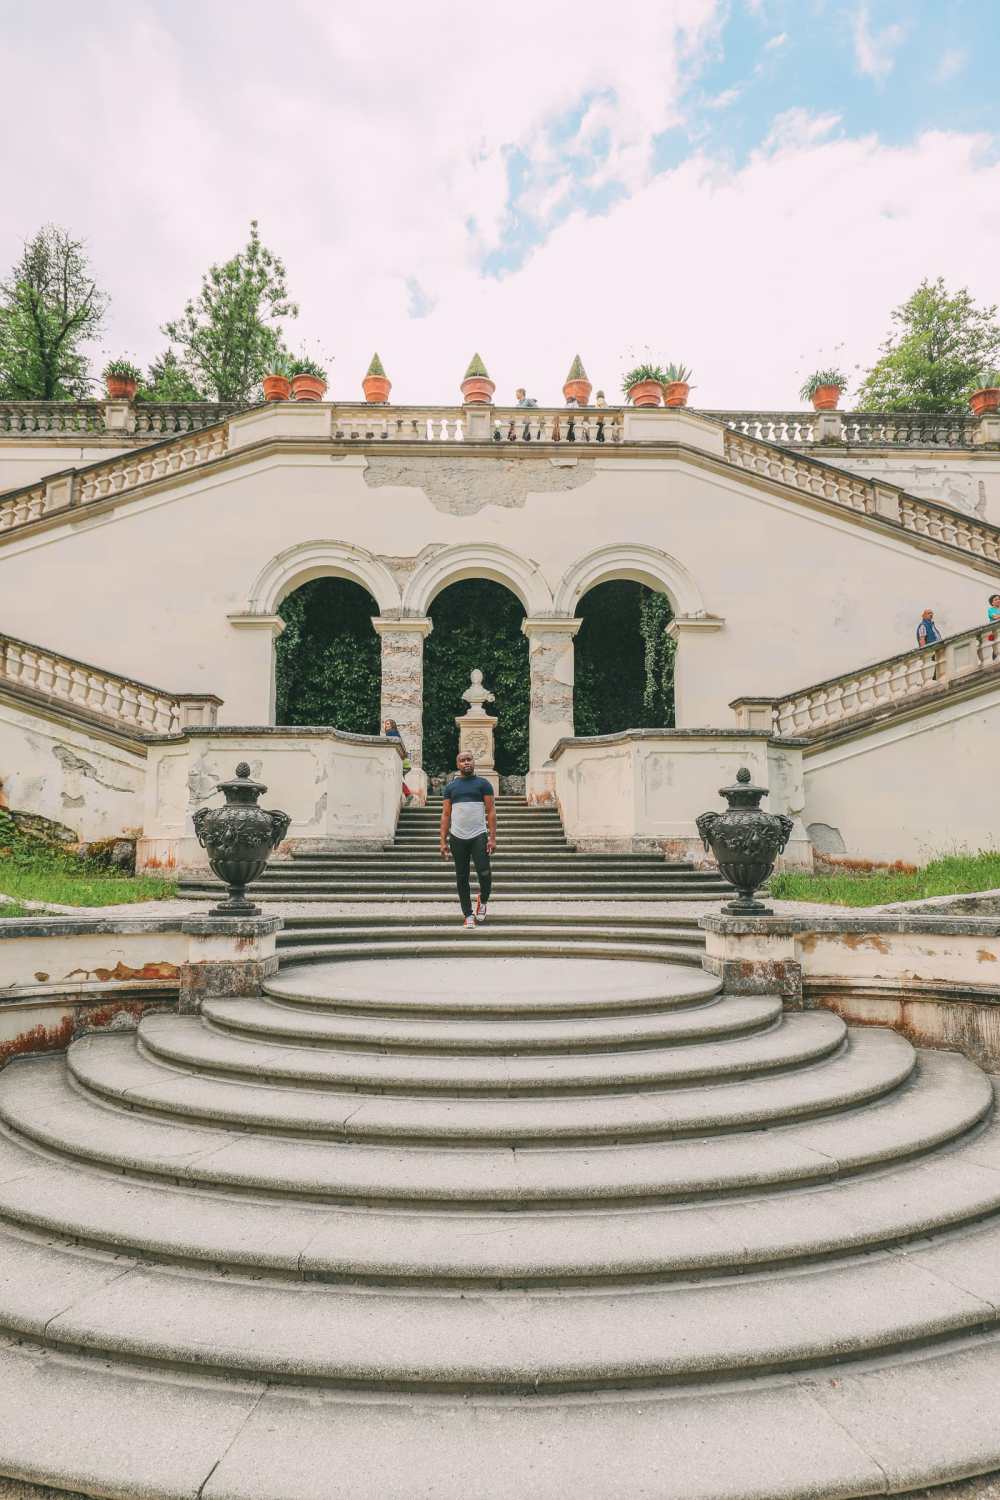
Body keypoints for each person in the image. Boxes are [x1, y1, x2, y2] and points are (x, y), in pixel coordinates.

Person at [440, 750, 496, 928]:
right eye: (462, 760)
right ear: (458, 765)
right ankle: (468, 914)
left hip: (479, 834)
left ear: (474, 762)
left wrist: (492, 837)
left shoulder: (483, 784)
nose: (466, 763)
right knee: (462, 876)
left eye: (469, 759)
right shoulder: (451, 787)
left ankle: (483, 899)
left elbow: (491, 811)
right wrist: (443, 840)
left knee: (485, 873)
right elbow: (446, 814)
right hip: (457, 837)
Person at [383, 717, 412, 797]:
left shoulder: (391, 732)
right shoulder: (395, 732)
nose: (386, 725)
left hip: (400, 760)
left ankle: (408, 794)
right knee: (399, 779)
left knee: (398, 778)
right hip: (404, 761)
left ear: (392, 725)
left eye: (388, 724)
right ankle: (407, 794)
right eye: (385, 724)